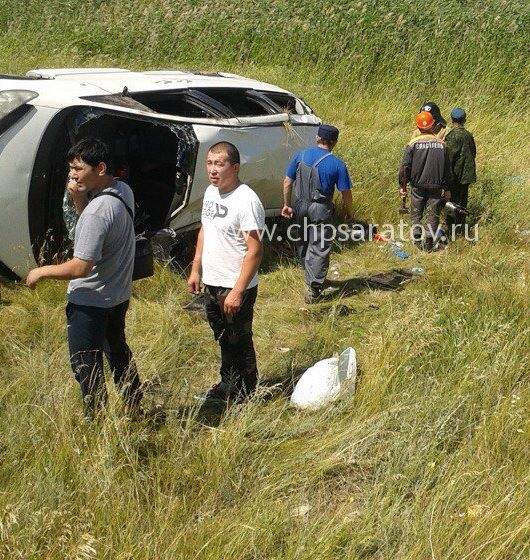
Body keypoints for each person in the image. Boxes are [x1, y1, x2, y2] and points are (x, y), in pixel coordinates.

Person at [25, 138, 142, 420]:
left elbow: (81, 267)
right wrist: (79, 198)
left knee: (86, 365)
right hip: (117, 295)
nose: (72, 175)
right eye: (71, 169)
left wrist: (41, 271)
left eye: (78, 168)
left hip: (89, 302)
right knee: (117, 351)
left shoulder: (97, 211)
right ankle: (135, 405)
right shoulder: (122, 191)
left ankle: (96, 420)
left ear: (100, 168)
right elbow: (91, 230)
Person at [187, 141, 265, 403]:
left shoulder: (247, 200)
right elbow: (205, 230)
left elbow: (254, 250)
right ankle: (228, 382)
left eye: (219, 164)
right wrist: (196, 268)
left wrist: (238, 291)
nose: (213, 170)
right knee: (222, 336)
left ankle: (246, 391)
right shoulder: (210, 192)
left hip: (234, 285)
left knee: (239, 339)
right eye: (209, 163)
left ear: (235, 167)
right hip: (212, 281)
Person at [282, 124, 353, 303]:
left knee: (302, 241)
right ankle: (314, 288)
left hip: (299, 206)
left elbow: (287, 182)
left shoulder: (300, 155)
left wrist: (286, 204)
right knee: (320, 247)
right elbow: (346, 194)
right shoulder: (337, 164)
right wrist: (347, 212)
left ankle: (309, 274)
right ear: (334, 142)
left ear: (317, 138)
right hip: (321, 208)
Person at [399, 111, 452, 251]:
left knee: (416, 212)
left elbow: (405, 168)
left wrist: (402, 185)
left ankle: (417, 242)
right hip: (436, 186)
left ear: (418, 126)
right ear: (433, 124)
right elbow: (447, 170)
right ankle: (429, 242)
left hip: (417, 185)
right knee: (433, 213)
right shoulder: (442, 145)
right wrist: (447, 189)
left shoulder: (412, 144)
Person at [444, 107, 476, 234]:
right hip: (466, 175)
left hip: (454, 175)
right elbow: (473, 153)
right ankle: (461, 227)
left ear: (452, 120)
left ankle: (452, 229)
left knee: (452, 202)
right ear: (464, 119)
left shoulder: (451, 136)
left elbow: (448, 158)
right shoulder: (469, 135)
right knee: (463, 201)